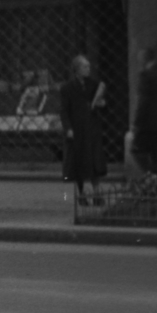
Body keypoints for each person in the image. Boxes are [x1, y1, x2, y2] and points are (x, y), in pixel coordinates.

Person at [60, 54, 107, 202]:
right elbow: (64, 110)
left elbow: (101, 101)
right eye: (85, 66)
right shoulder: (67, 88)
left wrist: (100, 103)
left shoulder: (93, 84)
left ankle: (97, 193)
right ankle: (82, 193)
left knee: (94, 162)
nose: (88, 69)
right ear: (77, 69)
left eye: (88, 66)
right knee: (79, 162)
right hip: (77, 129)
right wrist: (68, 128)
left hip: (91, 128)